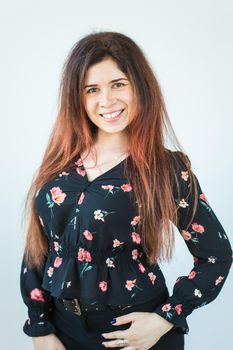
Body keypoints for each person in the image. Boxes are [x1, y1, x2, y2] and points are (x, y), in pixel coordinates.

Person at [20, 31, 232, 350]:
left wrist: (165, 319)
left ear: (140, 87)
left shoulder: (167, 169)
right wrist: (39, 326)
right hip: (62, 329)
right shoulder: (60, 162)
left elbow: (217, 256)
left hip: (133, 334)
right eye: (92, 89)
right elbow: (39, 248)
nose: (107, 101)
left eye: (118, 84)